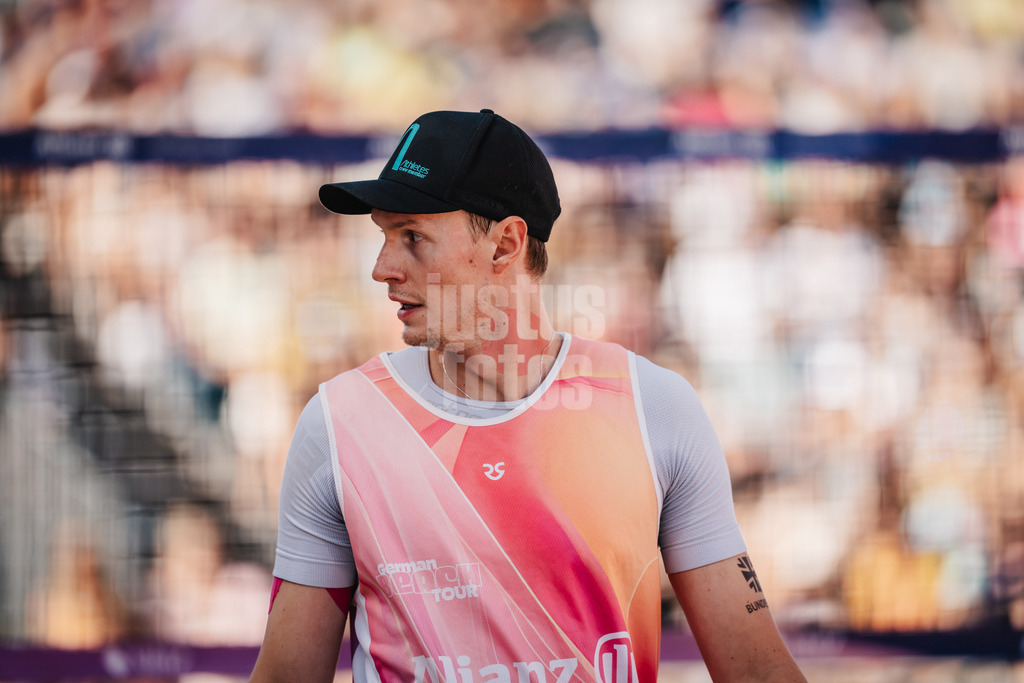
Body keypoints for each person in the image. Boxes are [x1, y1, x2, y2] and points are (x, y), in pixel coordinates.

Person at [250, 109, 805, 682]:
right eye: (384, 237)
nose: (382, 268)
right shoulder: (340, 422)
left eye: (412, 237)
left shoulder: (654, 408)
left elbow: (758, 672)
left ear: (505, 245)